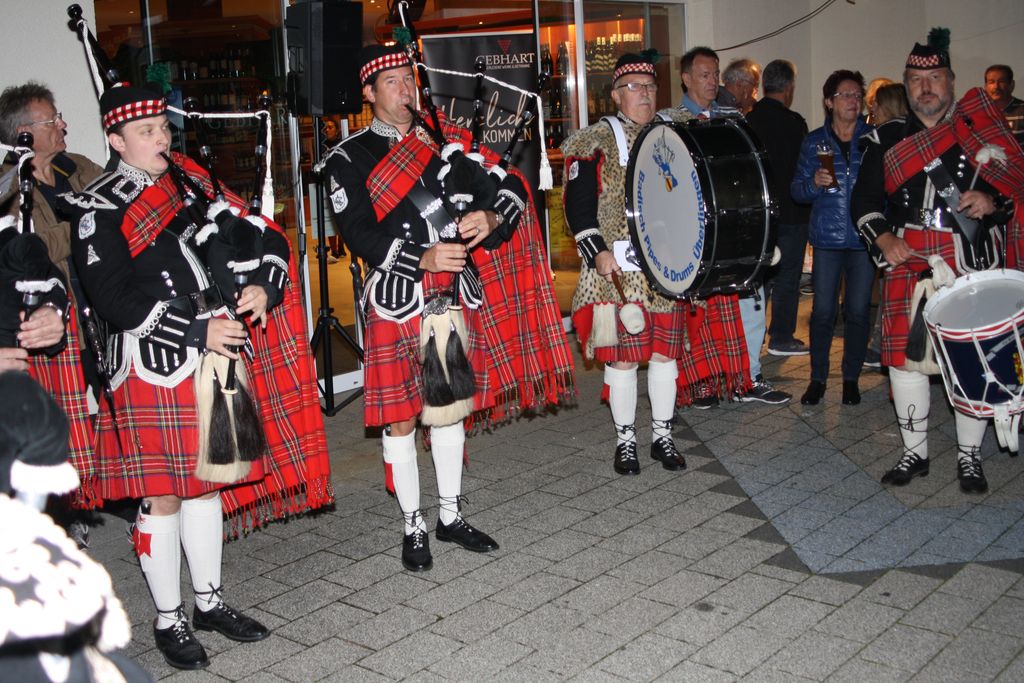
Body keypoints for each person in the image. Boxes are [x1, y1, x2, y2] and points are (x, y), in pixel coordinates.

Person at [62, 84, 332, 669]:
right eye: (145, 132)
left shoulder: (190, 184)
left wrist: (265, 279)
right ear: (115, 139)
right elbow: (111, 297)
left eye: (162, 127)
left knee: (209, 482)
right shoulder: (98, 206)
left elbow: (256, 230)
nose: (160, 139)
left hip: (215, 350)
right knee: (164, 494)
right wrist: (192, 332)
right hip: (153, 362)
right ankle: (168, 619)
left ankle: (209, 602)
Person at [321, 45, 574, 572]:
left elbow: (508, 189)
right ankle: (413, 523)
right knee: (401, 418)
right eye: (391, 82)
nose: (405, 90)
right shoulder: (349, 157)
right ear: (369, 93)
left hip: (454, 294)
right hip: (400, 298)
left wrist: (490, 217)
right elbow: (359, 234)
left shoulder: (444, 146)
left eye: (408, 81)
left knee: (450, 409)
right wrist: (424, 255)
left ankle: (450, 515)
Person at [564, 52, 748, 475]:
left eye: (649, 87)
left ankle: (662, 437)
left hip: (666, 268)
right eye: (634, 87)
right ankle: (625, 441)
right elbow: (578, 209)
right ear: (615, 95)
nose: (644, 94)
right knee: (624, 359)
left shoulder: (674, 133)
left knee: (666, 355)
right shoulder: (595, 141)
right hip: (616, 272)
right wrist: (598, 253)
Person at [851, 32, 1018, 493]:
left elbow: (1013, 193)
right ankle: (914, 452)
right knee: (905, 363)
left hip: (969, 257)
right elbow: (863, 202)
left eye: (935, 77)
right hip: (910, 258)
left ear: (951, 81)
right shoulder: (885, 139)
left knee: (970, 359)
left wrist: (992, 201)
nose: (926, 87)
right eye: (916, 79)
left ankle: (969, 458)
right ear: (906, 86)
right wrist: (883, 238)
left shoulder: (980, 132)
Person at [680, 47, 790, 405]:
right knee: (699, 312)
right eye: (704, 75)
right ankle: (701, 381)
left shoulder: (737, 118)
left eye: (715, 74)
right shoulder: (670, 122)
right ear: (686, 78)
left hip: (737, 225)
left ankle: (749, 377)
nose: (713, 81)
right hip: (693, 231)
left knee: (748, 299)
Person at [0, 82, 97, 473]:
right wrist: (89, 227)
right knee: (57, 417)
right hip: (50, 319)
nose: (63, 125)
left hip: (100, 307)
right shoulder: (8, 187)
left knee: (113, 410)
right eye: (53, 120)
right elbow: (28, 249)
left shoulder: (77, 166)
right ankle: (63, 505)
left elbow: (119, 206)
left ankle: (122, 495)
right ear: (24, 132)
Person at [791, 70, 874, 406]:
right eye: (846, 95)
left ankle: (851, 378)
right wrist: (814, 182)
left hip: (864, 239)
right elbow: (797, 191)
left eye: (857, 95)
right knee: (823, 312)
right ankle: (818, 378)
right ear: (829, 102)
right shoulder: (814, 142)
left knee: (857, 311)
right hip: (826, 239)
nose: (853, 101)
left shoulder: (873, 139)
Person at [747, 59, 812, 359]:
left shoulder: (748, 121)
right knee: (787, 276)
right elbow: (805, 166)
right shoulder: (795, 123)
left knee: (760, 278)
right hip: (792, 211)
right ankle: (782, 336)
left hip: (760, 214)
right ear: (789, 88)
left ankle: (755, 334)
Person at [320, 115, 346, 260]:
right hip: (325, 183)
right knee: (328, 218)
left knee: (340, 215)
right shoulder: (321, 145)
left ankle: (342, 246)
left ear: (337, 131)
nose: (327, 130)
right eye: (326, 128)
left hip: (339, 183)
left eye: (331, 127)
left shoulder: (341, 144)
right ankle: (334, 250)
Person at [983, 64, 1024, 144]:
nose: (996, 87)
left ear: (1011, 85)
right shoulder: (980, 113)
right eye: (991, 82)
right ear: (985, 87)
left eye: (1001, 81)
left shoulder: (1022, 110)